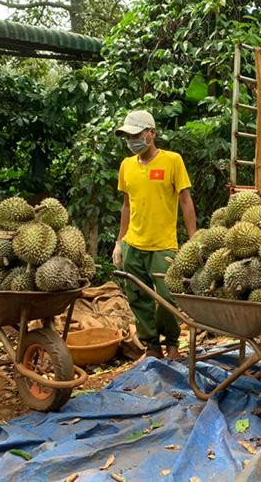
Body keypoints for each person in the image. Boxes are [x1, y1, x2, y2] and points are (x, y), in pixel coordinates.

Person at [113, 110, 197, 360]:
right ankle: (152, 346)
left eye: (136, 135)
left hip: (163, 245)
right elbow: (126, 206)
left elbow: (185, 200)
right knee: (138, 298)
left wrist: (193, 239)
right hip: (133, 244)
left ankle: (172, 344)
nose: (131, 141)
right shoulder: (127, 165)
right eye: (128, 137)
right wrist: (119, 242)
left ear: (151, 133)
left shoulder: (172, 160)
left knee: (167, 298)